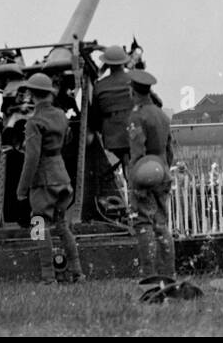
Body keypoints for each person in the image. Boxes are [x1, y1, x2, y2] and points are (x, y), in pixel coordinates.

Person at [15, 72, 83, 282]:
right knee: (62, 225)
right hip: (61, 175)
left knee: (39, 225)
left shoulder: (34, 122)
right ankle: (77, 272)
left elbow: (31, 158)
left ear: (33, 95)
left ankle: (48, 276)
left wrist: (22, 189)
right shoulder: (61, 116)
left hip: (43, 180)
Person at [126, 68, 175, 281]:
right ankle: (168, 273)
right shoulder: (162, 115)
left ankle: (149, 275)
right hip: (162, 172)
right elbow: (170, 149)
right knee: (162, 225)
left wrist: (134, 182)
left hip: (144, 175)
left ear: (132, 91)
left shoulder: (137, 116)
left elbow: (137, 152)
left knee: (143, 224)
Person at [92, 45, 135, 171]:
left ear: (107, 64)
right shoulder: (134, 79)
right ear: (124, 62)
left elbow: (95, 118)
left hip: (112, 137)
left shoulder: (100, 86)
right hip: (135, 132)